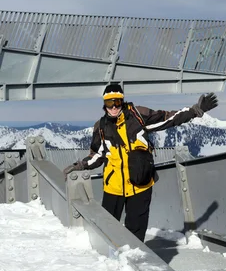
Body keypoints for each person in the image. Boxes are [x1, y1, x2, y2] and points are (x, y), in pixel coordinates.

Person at [63, 83, 218, 242]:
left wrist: (195, 111)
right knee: (108, 227)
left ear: (122, 101)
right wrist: (81, 165)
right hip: (114, 187)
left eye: (117, 102)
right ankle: (111, 260)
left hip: (141, 183)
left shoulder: (138, 115)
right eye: (110, 103)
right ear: (105, 105)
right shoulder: (101, 127)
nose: (114, 107)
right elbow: (97, 155)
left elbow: (168, 118)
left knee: (136, 231)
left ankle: (135, 259)